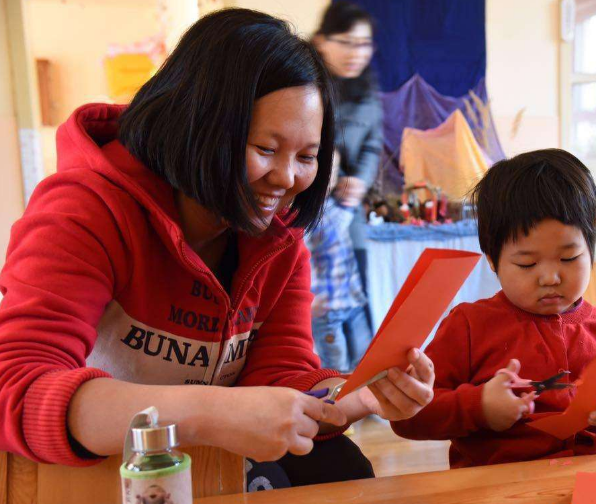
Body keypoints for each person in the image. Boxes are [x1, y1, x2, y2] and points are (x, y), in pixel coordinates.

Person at [0, 9, 433, 488]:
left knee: (341, 468)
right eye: (266, 149)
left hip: (210, 474)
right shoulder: (85, 212)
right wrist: (207, 413)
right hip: (96, 481)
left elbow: (279, 374)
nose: (288, 179)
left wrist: (353, 395)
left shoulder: (278, 238)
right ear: (197, 127)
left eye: (307, 157)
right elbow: (15, 387)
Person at [390, 149, 596, 468]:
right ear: (493, 260)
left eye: (569, 258)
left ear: (590, 250)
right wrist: (478, 407)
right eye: (527, 263)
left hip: (593, 485)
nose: (551, 277)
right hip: (499, 490)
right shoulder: (468, 327)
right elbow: (407, 417)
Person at [312, 2, 383, 296]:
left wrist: (360, 182)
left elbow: (372, 145)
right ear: (321, 41)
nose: (357, 53)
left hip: (347, 213)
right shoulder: (302, 81)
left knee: (356, 299)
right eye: (347, 43)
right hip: (306, 213)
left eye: (364, 44)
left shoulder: (366, 90)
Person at [306, 158, 373, 373]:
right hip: (326, 307)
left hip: (352, 301)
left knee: (364, 361)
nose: (330, 178)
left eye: (334, 171)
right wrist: (310, 296)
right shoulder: (305, 214)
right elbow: (302, 257)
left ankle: (363, 404)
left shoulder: (335, 205)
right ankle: (337, 405)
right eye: (326, 170)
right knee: (336, 368)